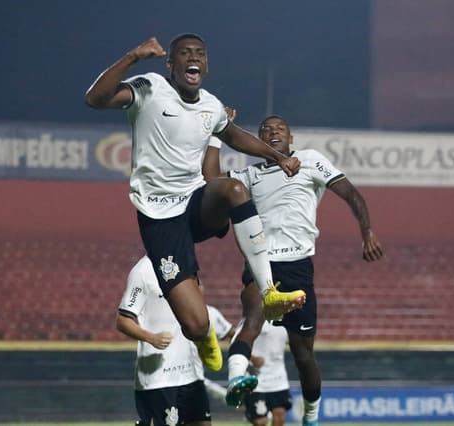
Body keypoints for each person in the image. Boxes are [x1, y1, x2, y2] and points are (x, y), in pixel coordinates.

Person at [85, 34, 306, 374]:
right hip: (160, 219)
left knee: (232, 189)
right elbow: (95, 99)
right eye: (184, 53)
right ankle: (203, 338)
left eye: (200, 54)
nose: (194, 58)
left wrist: (278, 157)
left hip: (195, 203)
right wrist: (133, 56)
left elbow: (233, 135)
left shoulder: (211, 106)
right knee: (196, 324)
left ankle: (269, 292)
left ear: (206, 64)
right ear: (170, 64)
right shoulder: (149, 87)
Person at [204, 115, 384, 424]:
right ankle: (236, 379)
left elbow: (352, 194)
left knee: (303, 356)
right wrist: (217, 133)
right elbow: (210, 179)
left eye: (279, 129)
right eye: (264, 131)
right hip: (262, 264)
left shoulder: (310, 161)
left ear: (291, 139)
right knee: (251, 320)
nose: (272, 132)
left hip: (298, 268)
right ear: (256, 143)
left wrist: (367, 231)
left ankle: (311, 416)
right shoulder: (247, 175)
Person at [117, 256, 214, 426]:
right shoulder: (142, 272)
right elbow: (122, 320)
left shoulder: (186, 263)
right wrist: (151, 338)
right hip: (159, 378)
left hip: (190, 373)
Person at [238, 320, 292, 426]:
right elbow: (236, 342)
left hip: (278, 379)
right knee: (260, 421)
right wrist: (252, 358)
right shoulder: (251, 318)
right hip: (255, 380)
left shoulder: (287, 322)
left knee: (280, 416)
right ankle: (250, 415)